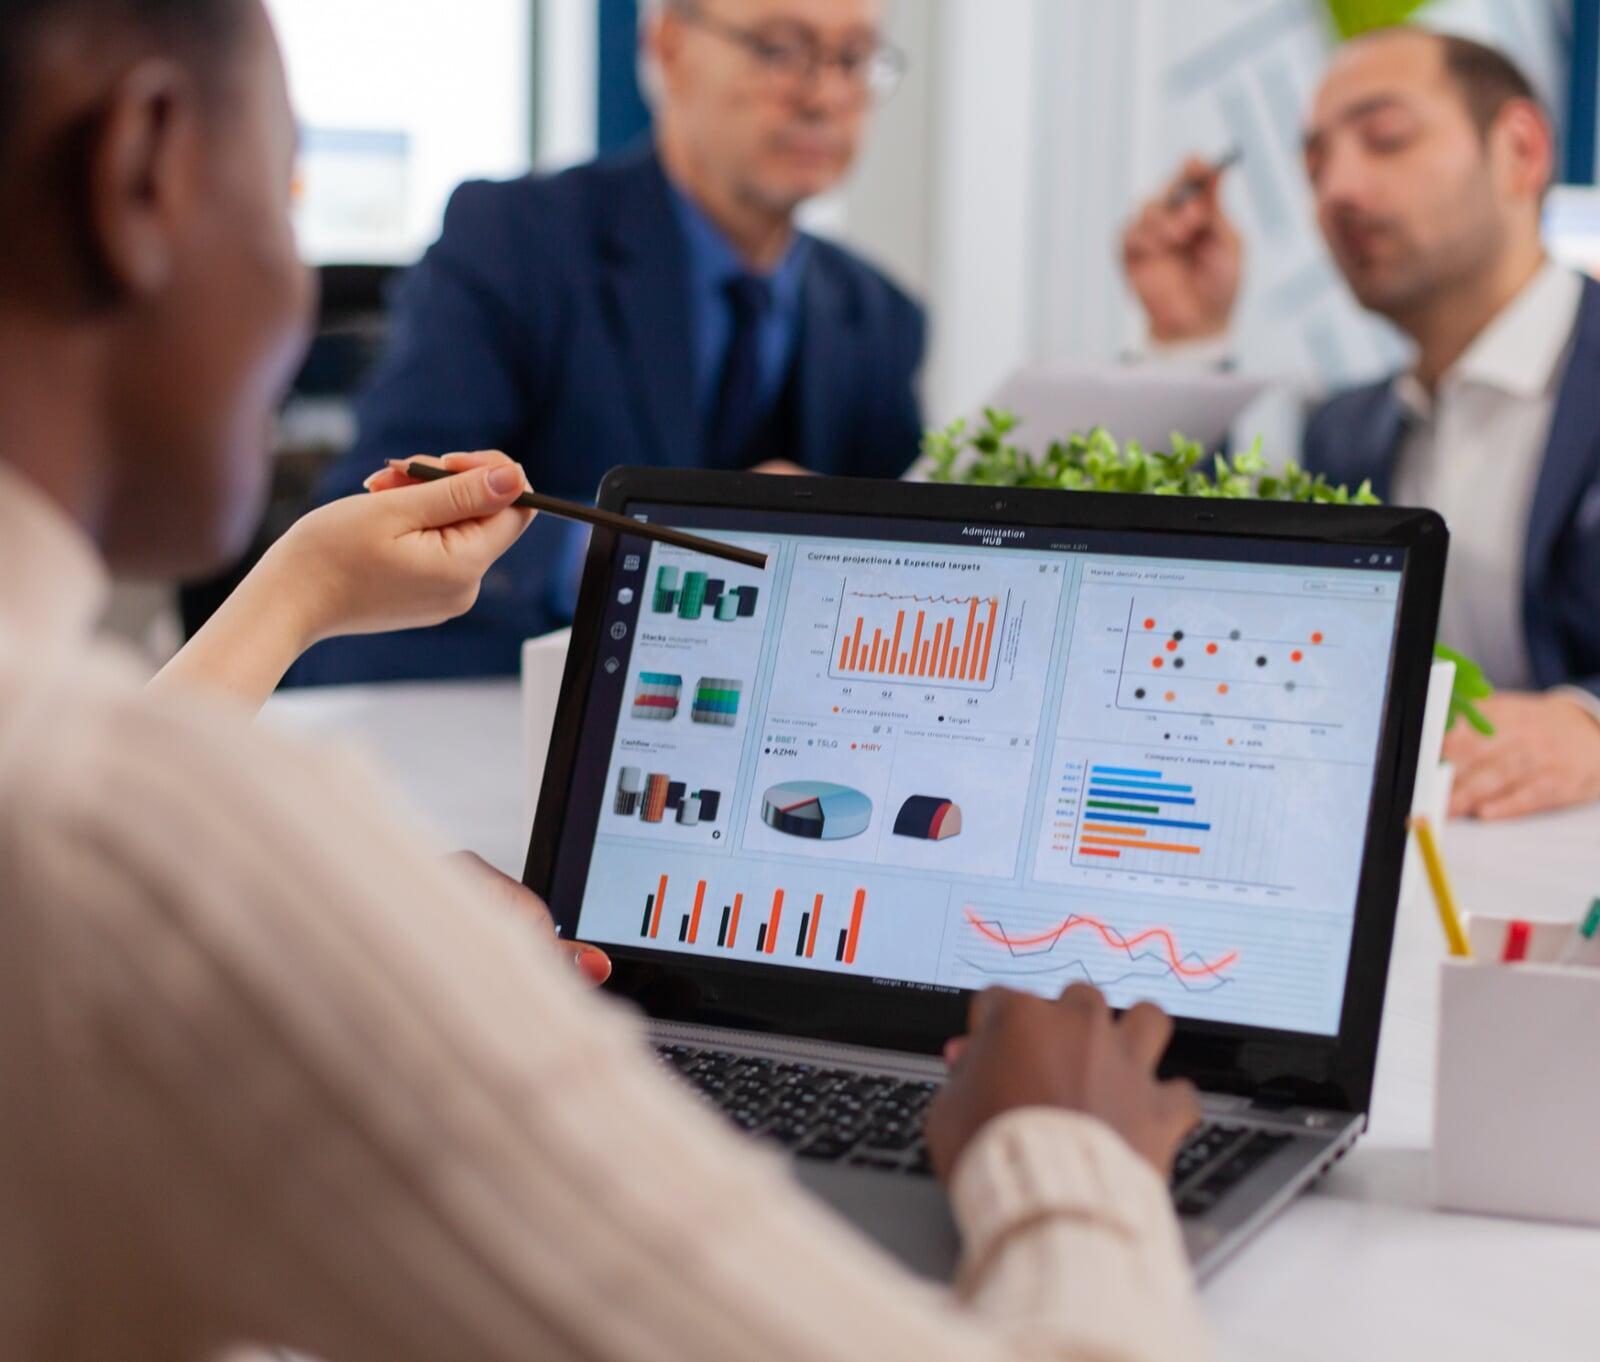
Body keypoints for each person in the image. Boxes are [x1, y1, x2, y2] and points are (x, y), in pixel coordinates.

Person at [0, 4, 1218, 1361]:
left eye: (850, 57)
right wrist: (1070, 1155)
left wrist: (298, 591)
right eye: (286, 193)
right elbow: (118, 845)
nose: (300, 297)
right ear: (143, 172)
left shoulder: (94, 812)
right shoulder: (154, 850)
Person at [290, 0, 928, 686]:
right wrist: (657, 556)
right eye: (779, 49)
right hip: (484, 708)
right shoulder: (513, 241)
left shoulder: (880, 316)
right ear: (671, 48)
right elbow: (383, 509)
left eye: (852, 58)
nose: (824, 95)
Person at [1122, 27, 1600, 821]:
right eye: (1314, 167)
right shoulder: (1345, 431)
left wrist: (1591, 721)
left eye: (1386, 139)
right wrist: (1189, 340)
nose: (1338, 188)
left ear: (1519, 150)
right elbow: (1204, 611)